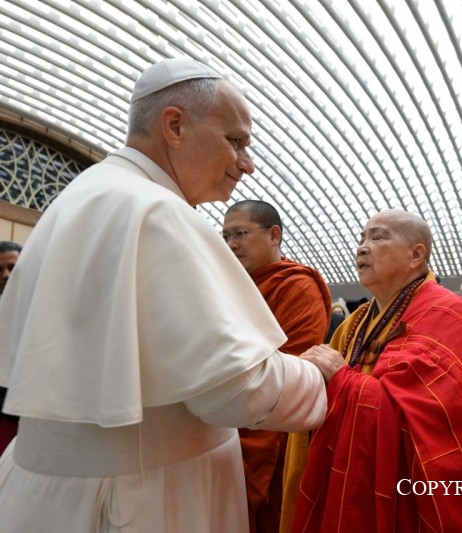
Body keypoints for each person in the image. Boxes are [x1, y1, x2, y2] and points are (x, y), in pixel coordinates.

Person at [0, 58, 328, 532]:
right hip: (140, 499)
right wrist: (317, 375)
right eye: (235, 141)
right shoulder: (157, 210)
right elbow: (235, 390)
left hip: (42, 493)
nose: (247, 163)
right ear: (174, 126)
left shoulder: (83, 194)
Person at [294, 209, 462, 532]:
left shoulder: (446, 311)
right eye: (362, 239)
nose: (362, 247)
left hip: (410, 490)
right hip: (355, 469)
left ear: (416, 255)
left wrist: (342, 379)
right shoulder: (355, 321)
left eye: (377, 237)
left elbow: (437, 419)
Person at [223, 200, 331, 533]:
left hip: (275, 430)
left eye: (240, 233)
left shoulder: (296, 286)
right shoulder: (230, 285)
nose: (231, 244)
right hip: (226, 420)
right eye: (225, 236)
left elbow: (292, 367)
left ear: (274, 235)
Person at [0, 241, 22, 454]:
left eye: (12, 268)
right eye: (0, 270)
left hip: (23, 414)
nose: (6, 275)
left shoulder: (41, 308)